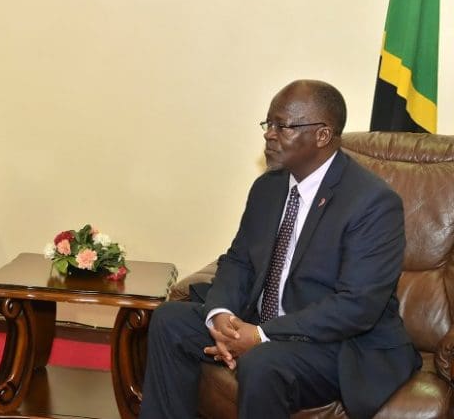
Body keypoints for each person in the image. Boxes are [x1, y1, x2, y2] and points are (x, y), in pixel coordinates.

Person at [139, 80, 420, 419]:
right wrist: (222, 315)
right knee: (170, 320)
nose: (269, 135)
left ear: (322, 135)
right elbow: (239, 260)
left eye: (282, 126)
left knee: (262, 361)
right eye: (268, 124)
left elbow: (357, 307)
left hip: (337, 343)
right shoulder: (268, 188)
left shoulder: (371, 202)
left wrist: (260, 335)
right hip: (264, 323)